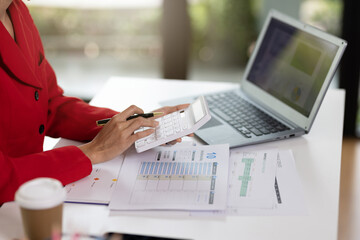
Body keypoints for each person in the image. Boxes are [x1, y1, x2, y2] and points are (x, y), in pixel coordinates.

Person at [0, 0, 189, 204]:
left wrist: (132, 123)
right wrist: (92, 152)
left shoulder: (16, 11)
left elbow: (50, 103)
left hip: (37, 197)